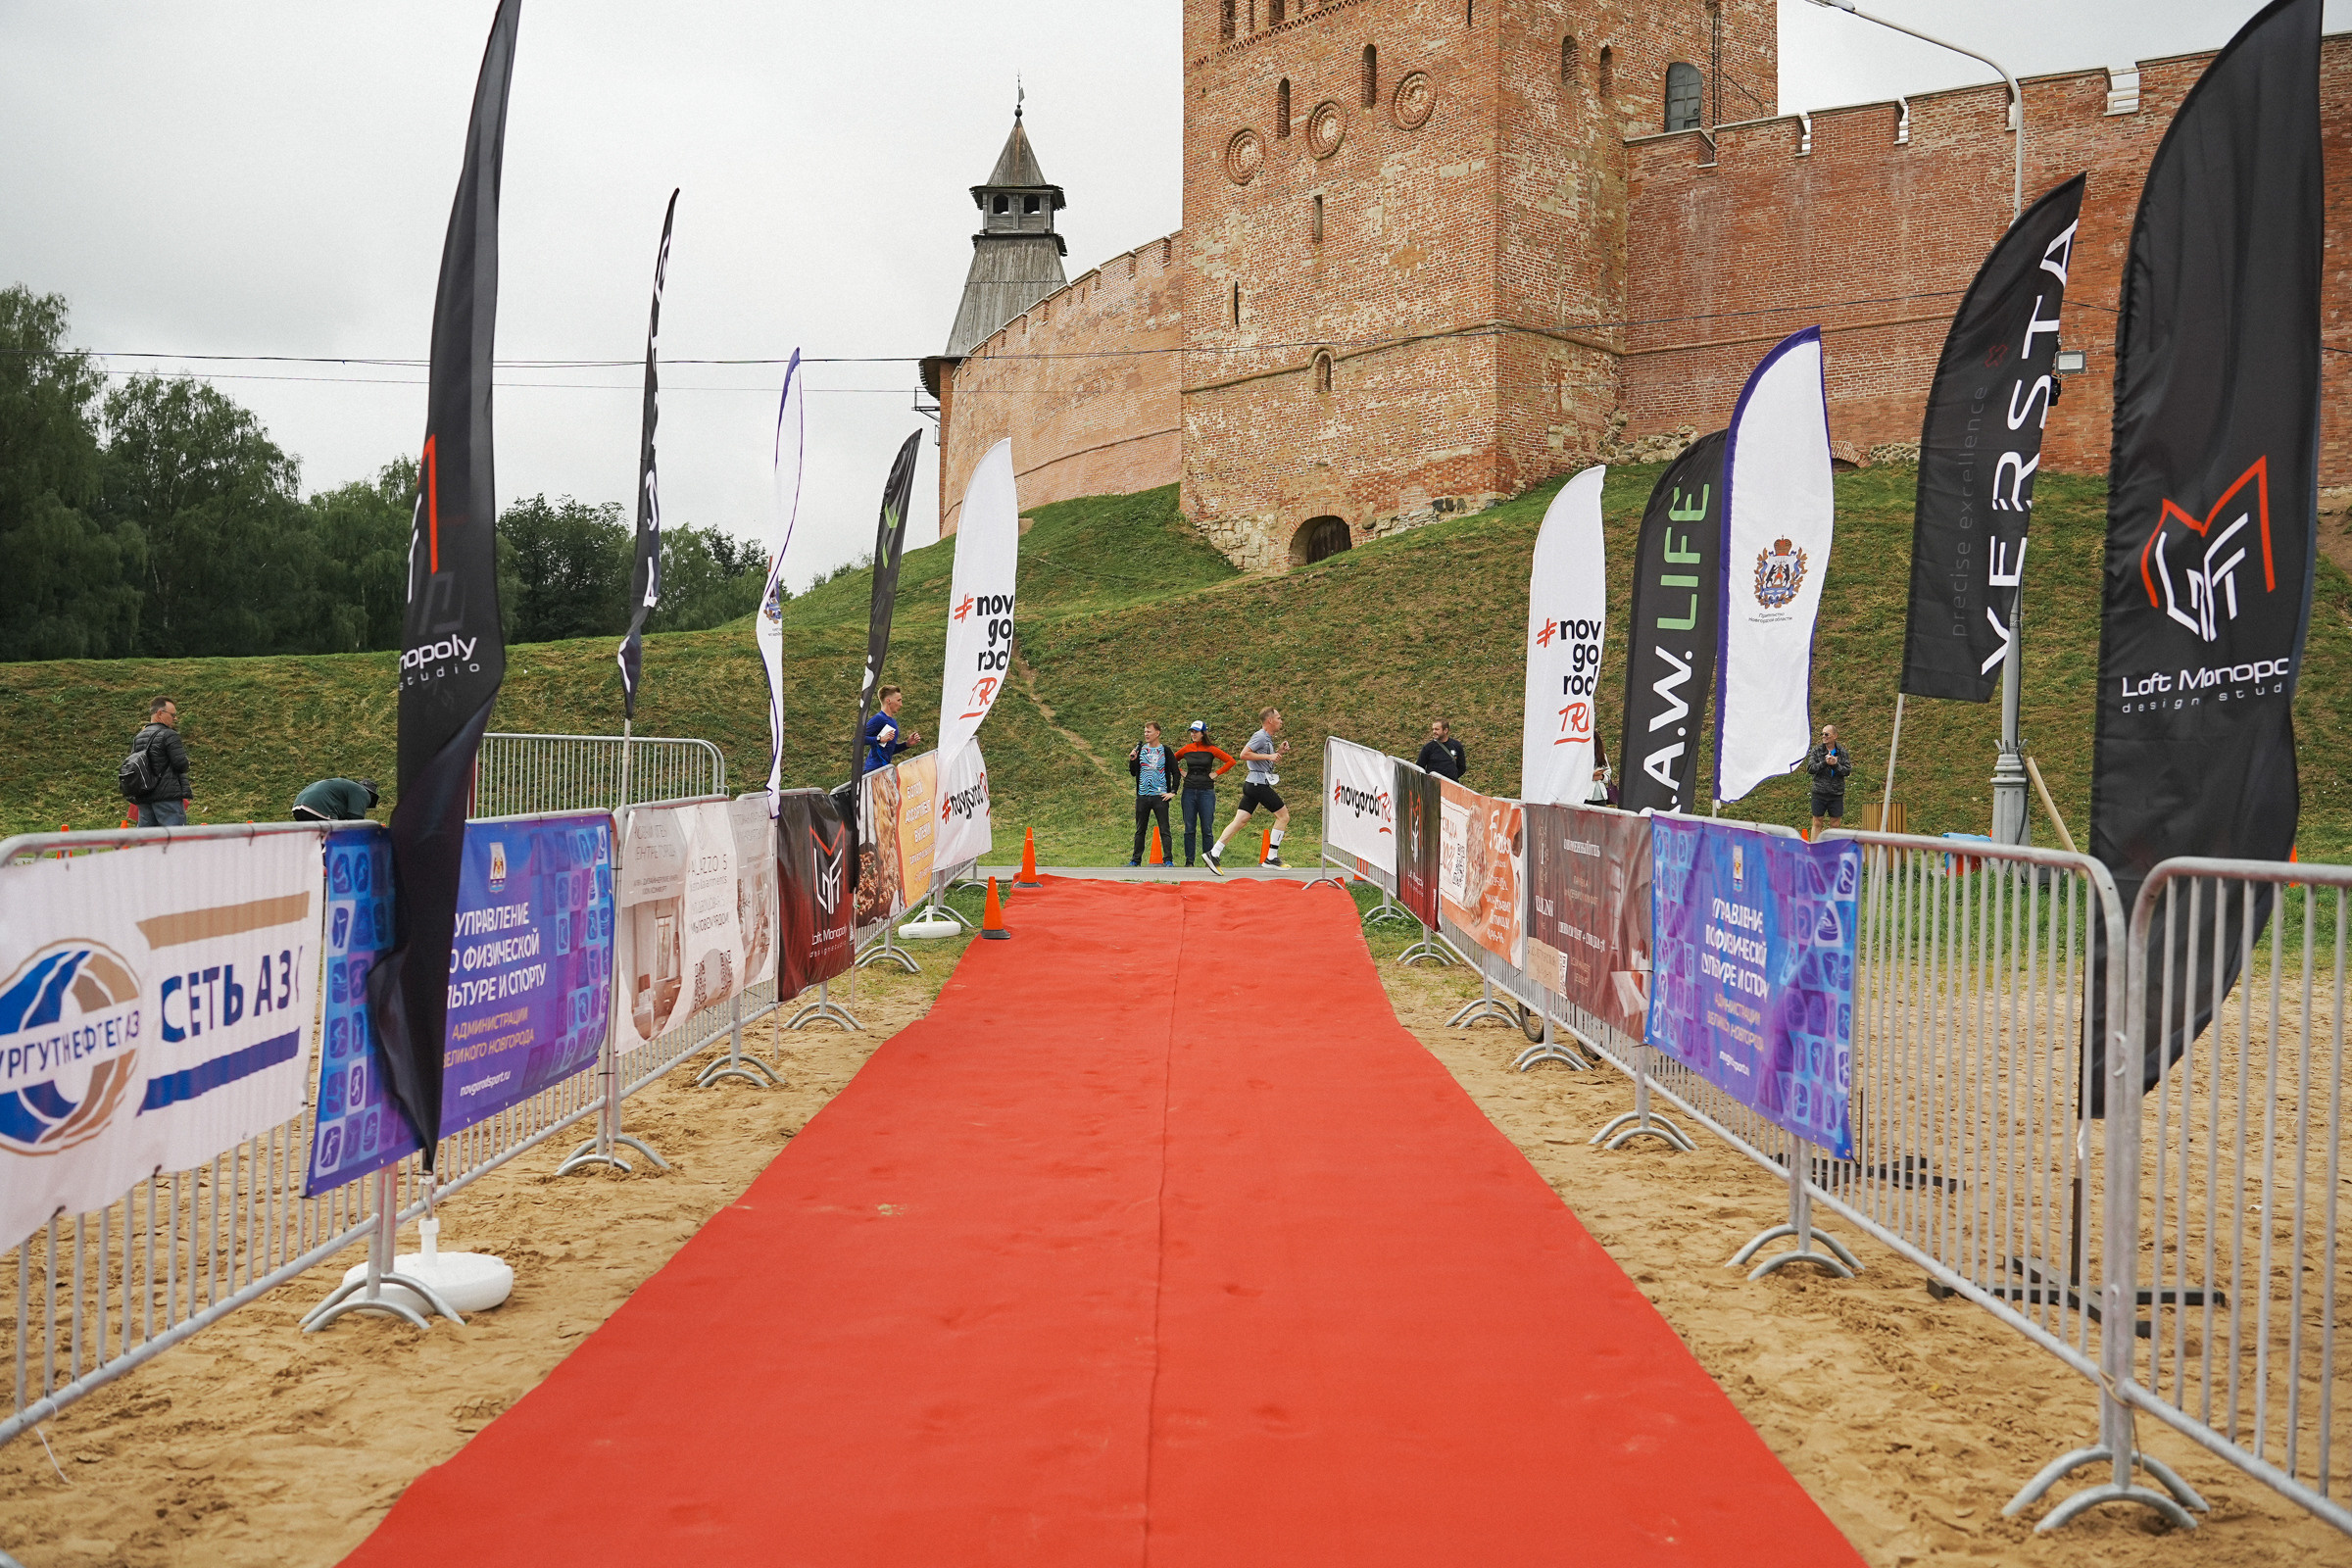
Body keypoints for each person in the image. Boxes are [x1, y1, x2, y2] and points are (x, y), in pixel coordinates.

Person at [1206, 707, 1290, 873]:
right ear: (1269, 720)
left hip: (1254, 783)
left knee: (1240, 821)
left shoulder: (1267, 738)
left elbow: (1264, 763)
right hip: (1258, 785)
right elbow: (1243, 755)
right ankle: (1271, 857)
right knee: (1283, 816)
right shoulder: (1260, 736)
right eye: (1279, 718)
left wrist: (1278, 752)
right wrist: (1269, 756)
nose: (1281, 721)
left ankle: (1213, 853)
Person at [1172, 719, 1235, 867]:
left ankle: (1209, 860)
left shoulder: (1211, 749)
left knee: (1207, 828)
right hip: (1188, 791)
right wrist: (1181, 772)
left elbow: (1231, 761)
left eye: (1196, 732)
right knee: (1189, 828)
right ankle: (1189, 861)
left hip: (1206, 791)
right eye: (1192, 732)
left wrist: (1217, 773)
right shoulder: (1187, 749)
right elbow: (1171, 760)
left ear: (1203, 733)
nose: (1193, 734)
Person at [128, 696, 191, 828]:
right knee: (173, 841)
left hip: (144, 796)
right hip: (167, 797)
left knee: (146, 841)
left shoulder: (139, 736)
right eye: (173, 715)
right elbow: (181, 764)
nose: (175, 718)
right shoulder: (169, 734)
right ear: (160, 713)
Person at [1127, 722, 1177, 866]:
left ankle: (1168, 860)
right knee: (1140, 830)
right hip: (1143, 796)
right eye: (1145, 732)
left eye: (1149, 731)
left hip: (1160, 796)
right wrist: (1132, 760)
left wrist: (1173, 791)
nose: (1146, 734)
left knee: (1164, 829)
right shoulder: (1141, 750)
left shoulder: (1165, 751)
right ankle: (1135, 860)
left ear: (1157, 733)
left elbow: (1175, 772)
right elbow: (1133, 772)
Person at [861, 684, 922, 775]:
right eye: (898, 700)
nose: (901, 704)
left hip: (884, 769)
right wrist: (879, 739)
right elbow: (857, 740)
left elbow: (887, 750)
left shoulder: (892, 721)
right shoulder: (879, 719)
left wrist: (907, 744)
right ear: (888, 701)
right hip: (874, 771)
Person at [1806, 724, 1853, 840]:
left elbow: (1847, 771)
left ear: (1835, 736)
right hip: (1819, 792)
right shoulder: (1816, 750)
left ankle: (1832, 850)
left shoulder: (1842, 752)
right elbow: (1810, 769)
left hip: (1836, 793)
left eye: (1826, 734)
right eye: (1822, 734)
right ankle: (1814, 849)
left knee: (1835, 824)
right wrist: (1824, 763)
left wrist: (1835, 765)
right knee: (1817, 822)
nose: (1824, 736)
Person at [292, 778, 379, 822]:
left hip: (298, 807)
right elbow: (356, 820)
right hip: (320, 807)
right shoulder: (363, 792)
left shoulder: (346, 789)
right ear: (370, 795)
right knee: (336, 836)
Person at [1417, 717, 1466, 781]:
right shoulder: (1428, 747)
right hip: (1433, 785)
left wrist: (1452, 777)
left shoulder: (1456, 745)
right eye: (1433, 729)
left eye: (1437, 729)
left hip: (1451, 785)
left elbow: (1462, 767)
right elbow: (1420, 767)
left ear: (1445, 730)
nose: (1434, 732)